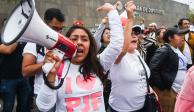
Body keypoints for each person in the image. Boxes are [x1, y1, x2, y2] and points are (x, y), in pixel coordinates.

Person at [36, 3, 124, 112]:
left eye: (84, 39)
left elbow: (117, 44)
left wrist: (112, 11)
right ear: (67, 43)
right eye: (74, 38)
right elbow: (43, 107)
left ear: (90, 45)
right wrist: (50, 76)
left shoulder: (99, 63)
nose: (79, 42)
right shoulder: (58, 67)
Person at [22, 8, 65, 112]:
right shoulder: (33, 43)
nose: (58, 32)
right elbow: (25, 71)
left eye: (61, 29)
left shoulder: (63, 42)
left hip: (63, 93)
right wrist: (44, 64)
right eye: (55, 28)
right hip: (43, 93)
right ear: (45, 23)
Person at [149, 27, 189, 112]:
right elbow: (153, 68)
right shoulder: (164, 50)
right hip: (169, 92)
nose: (182, 37)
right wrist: (163, 87)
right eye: (179, 35)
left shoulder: (176, 49)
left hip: (178, 90)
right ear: (170, 38)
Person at [0, 42, 31, 112]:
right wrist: (19, 36)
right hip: (7, 78)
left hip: (24, 77)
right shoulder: (3, 35)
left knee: (23, 107)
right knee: (8, 107)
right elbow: (8, 50)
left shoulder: (25, 36)